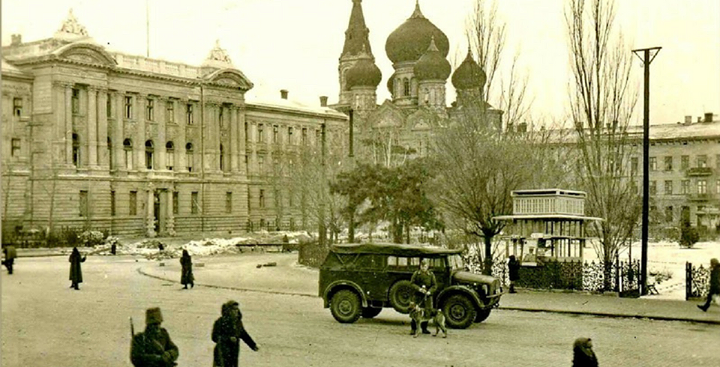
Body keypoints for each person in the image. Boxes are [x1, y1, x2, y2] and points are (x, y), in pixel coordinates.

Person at [212, 300, 259, 367]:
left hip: (233, 352)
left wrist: (253, 345)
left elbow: (243, 334)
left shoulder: (237, 322)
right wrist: (228, 338)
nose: (236, 311)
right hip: (221, 352)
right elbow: (214, 337)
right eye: (233, 309)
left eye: (237, 309)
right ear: (228, 310)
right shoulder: (220, 321)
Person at [409, 258, 437, 335]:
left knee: (427, 312)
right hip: (418, 296)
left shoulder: (431, 275)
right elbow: (412, 284)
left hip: (427, 297)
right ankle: (413, 329)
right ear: (420, 266)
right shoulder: (416, 274)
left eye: (425, 266)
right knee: (415, 312)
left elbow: (434, 285)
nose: (423, 268)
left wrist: (429, 292)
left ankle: (424, 328)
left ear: (427, 266)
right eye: (422, 266)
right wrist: (419, 289)